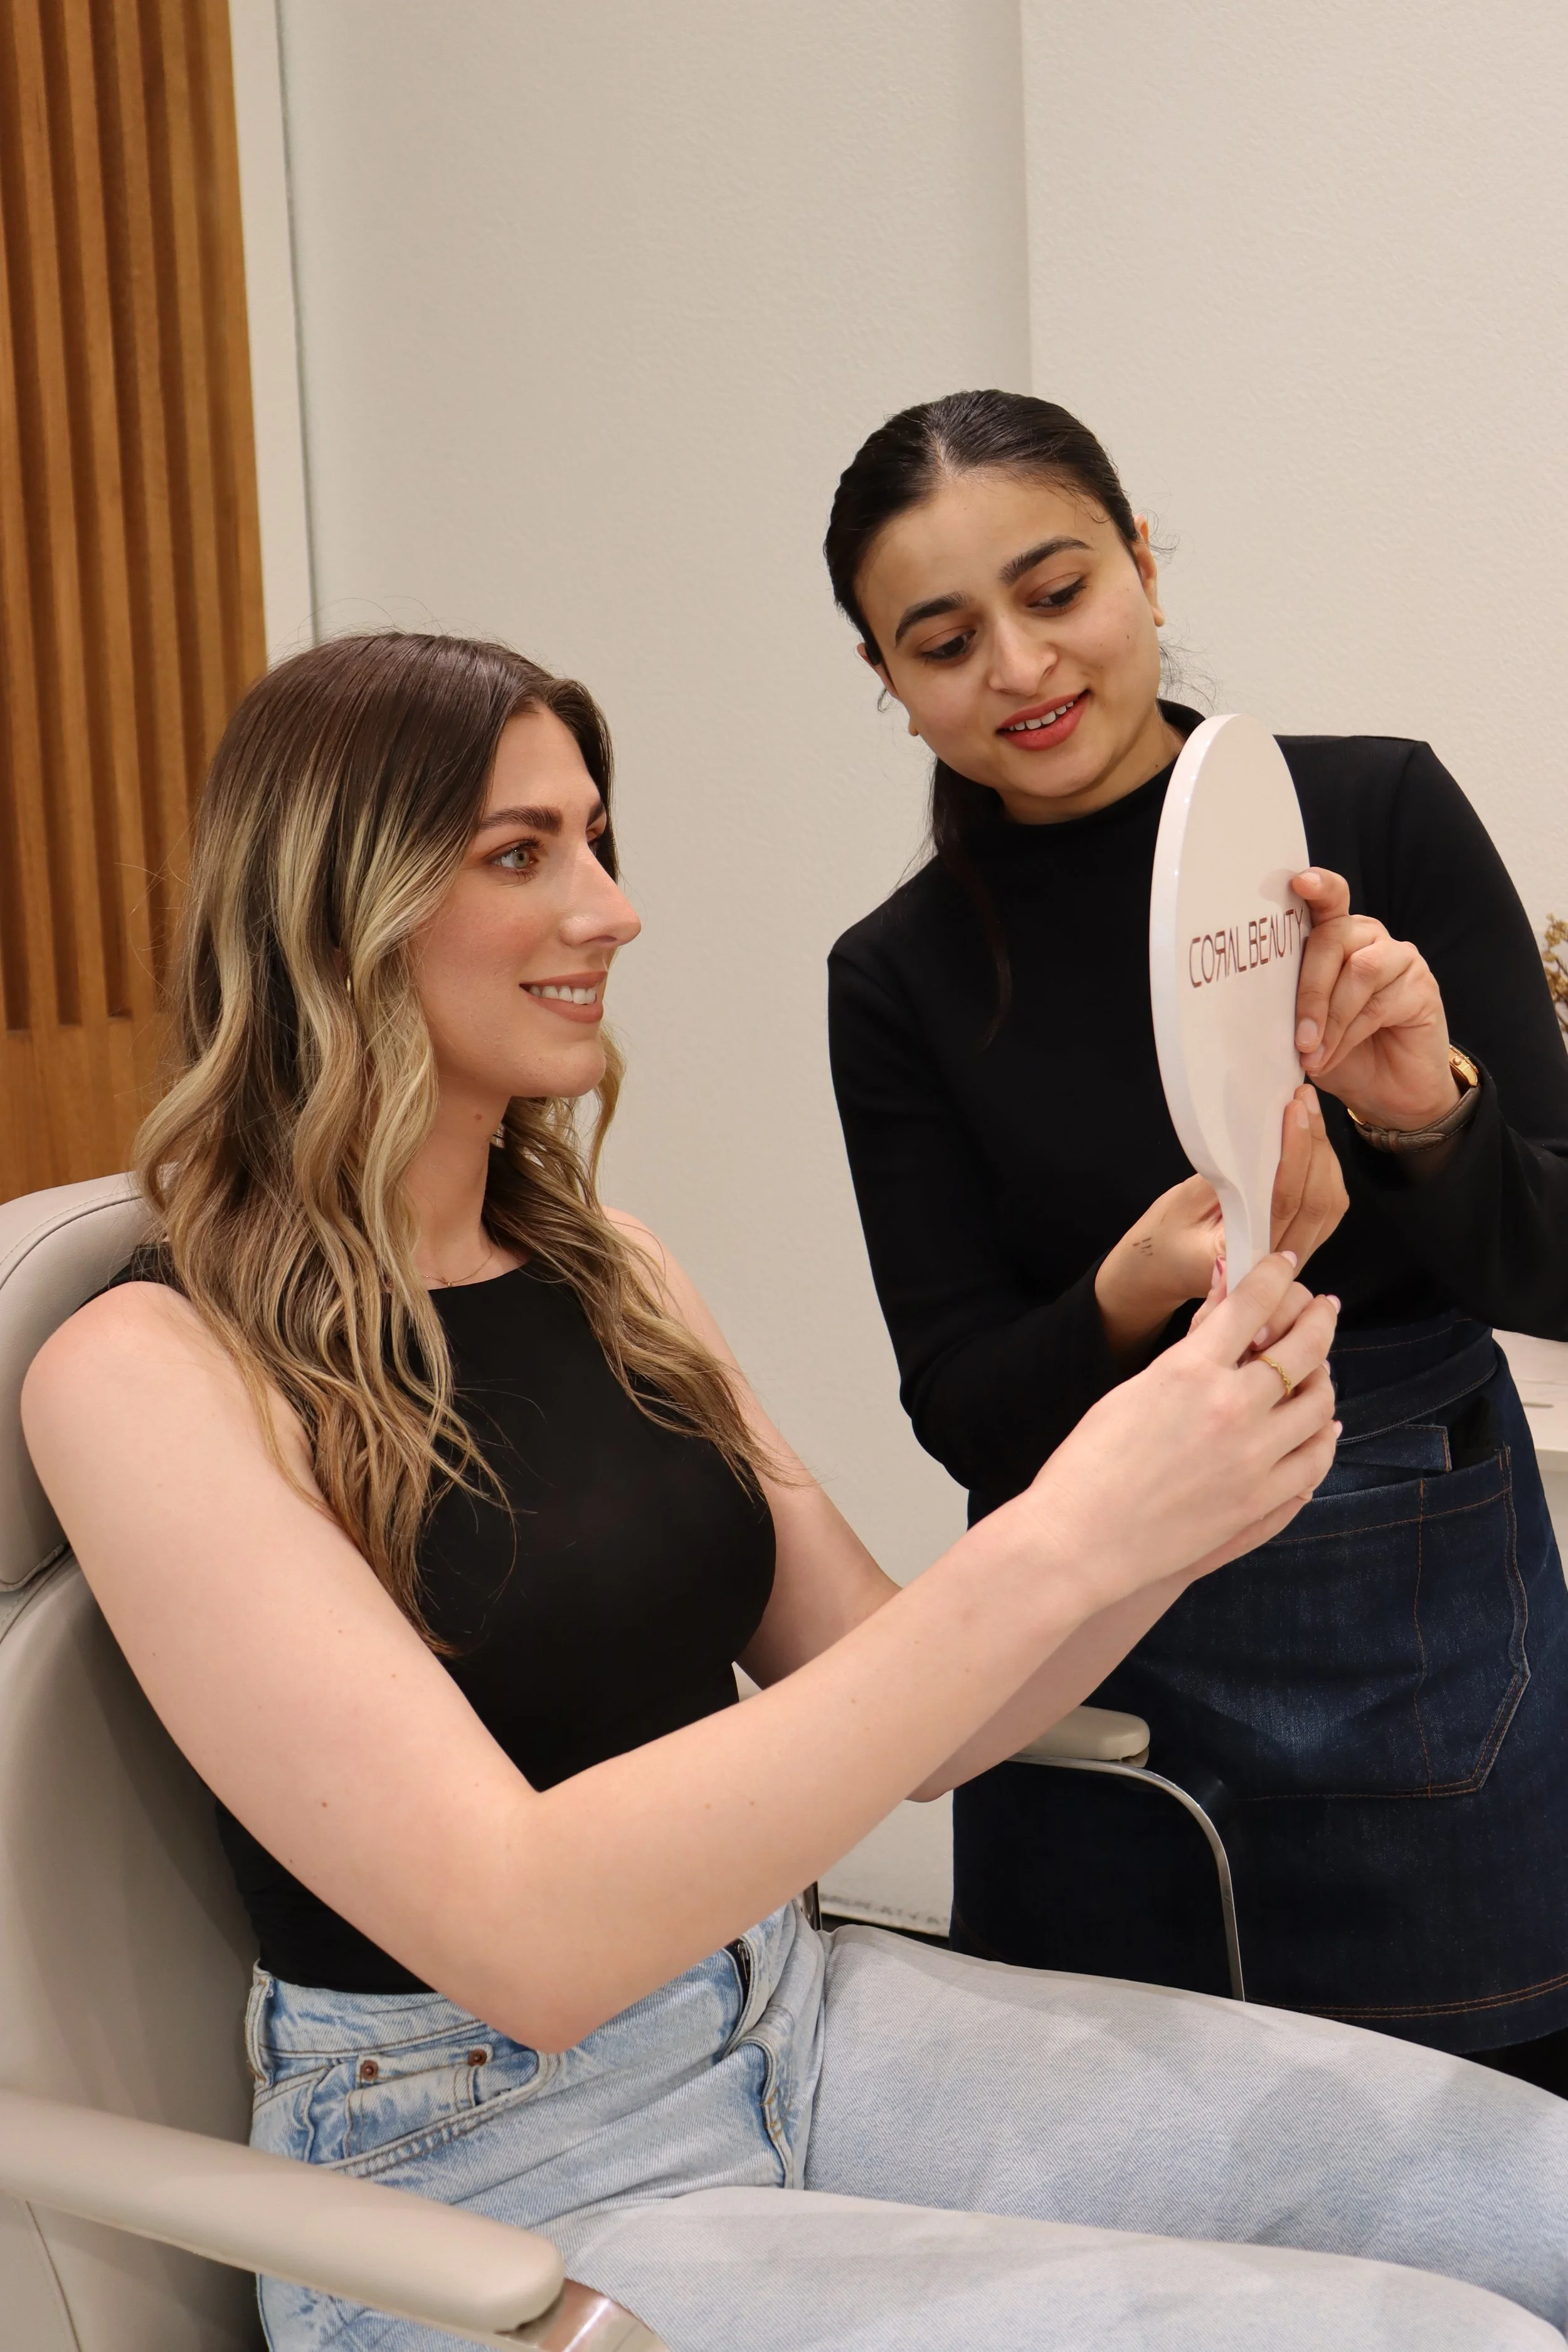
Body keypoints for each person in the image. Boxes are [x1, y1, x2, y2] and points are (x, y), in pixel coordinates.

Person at [20, 631, 1568, 2352]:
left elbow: (918, 1712)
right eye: (520, 852)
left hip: (793, 2007)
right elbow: (521, 1931)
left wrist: (1178, 1486)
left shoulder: (607, 1265)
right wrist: (1071, 1525)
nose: (609, 910)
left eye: (597, 841)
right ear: (333, 905)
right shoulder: (147, 1370)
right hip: (479, 2173)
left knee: (1533, 2200)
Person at [824, 389, 1568, 2091]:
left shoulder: (1367, 817)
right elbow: (961, 1403)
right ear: (885, 678)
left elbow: (1548, 1262)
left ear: (1144, 562)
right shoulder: (897, 975)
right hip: (1088, 1635)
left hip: (1423, 1621)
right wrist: (1130, 1288)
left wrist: (1417, 1112)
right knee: (1125, 2189)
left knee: (1486, 2156)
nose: (1016, 666)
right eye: (941, 640)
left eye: (1055, 587)